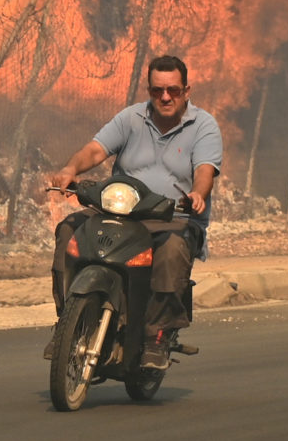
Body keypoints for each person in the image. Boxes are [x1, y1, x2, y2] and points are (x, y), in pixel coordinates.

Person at [46, 54, 219, 362]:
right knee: (69, 230)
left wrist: (197, 193)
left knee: (172, 250)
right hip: (120, 213)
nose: (165, 97)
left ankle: (157, 336)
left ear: (186, 91)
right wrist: (72, 168)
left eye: (173, 90)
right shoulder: (131, 118)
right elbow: (96, 149)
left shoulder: (203, 125)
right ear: (149, 91)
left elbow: (205, 169)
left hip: (172, 218)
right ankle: (66, 322)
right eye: (157, 91)